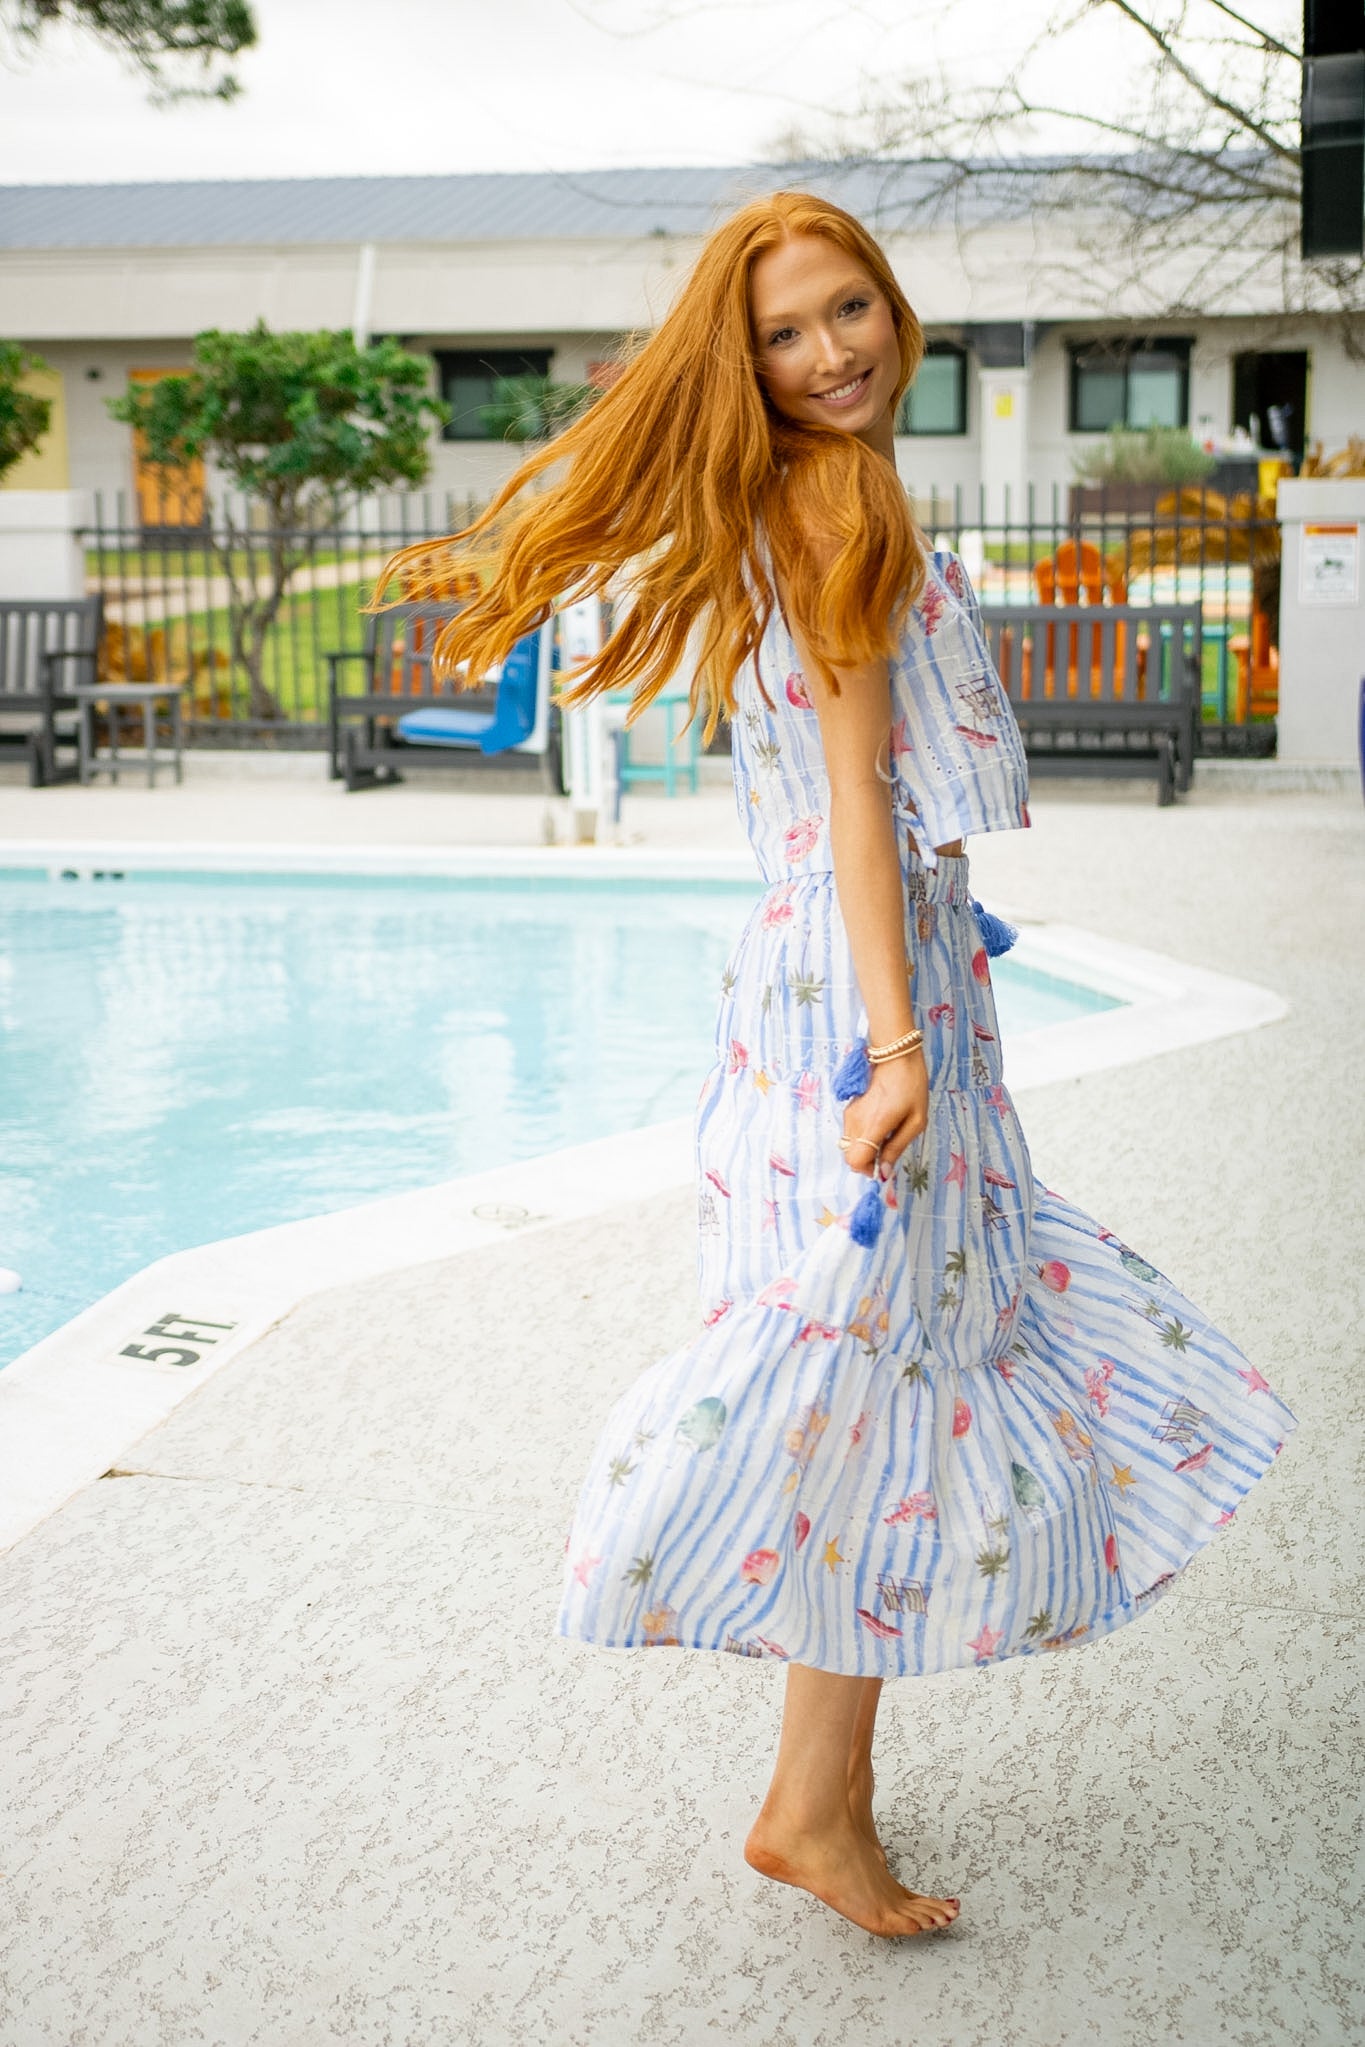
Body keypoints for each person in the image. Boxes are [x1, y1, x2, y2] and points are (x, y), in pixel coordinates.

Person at [373, 191, 1296, 1941]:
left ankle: (821, 1798)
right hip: (854, 996)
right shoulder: (828, 502)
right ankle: (809, 1801)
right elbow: (857, 805)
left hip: (827, 972)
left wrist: (926, 971)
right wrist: (896, 1042)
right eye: (784, 334)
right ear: (743, 364)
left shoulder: (815, 488)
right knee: (867, 1370)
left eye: (847, 309)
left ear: (892, 301)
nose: (828, 354)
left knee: (888, 1375)